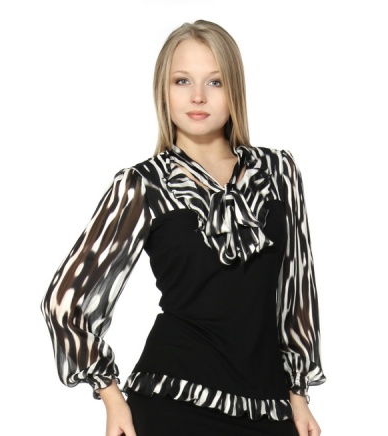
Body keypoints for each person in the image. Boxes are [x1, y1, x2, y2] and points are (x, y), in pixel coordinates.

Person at [41, 19, 326, 436]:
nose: (197, 96)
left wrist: (298, 395)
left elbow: (296, 289)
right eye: (182, 81)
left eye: (215, 82)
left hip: (269, 407)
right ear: (164, 90)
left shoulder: (278, 172)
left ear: (234, 89)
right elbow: (65, 300)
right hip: (172, 403)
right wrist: (113, 399)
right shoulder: (142, 185)